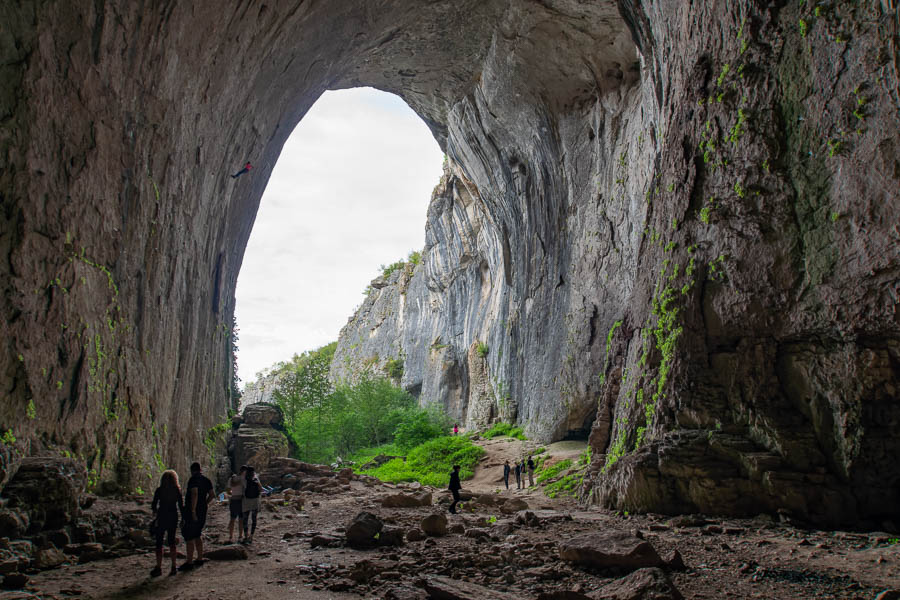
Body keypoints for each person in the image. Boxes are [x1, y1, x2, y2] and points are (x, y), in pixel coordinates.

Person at [180, 462, 214, 571]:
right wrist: (205, 504)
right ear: (200, 469)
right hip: (202, 511)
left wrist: (193, 510)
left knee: (190, 536)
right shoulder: (207, 480)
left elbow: (194, 494)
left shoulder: (193, 480)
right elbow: (212, 495)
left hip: (192, 511)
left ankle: (189, 562)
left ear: (192, 470)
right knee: (197, 534)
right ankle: (199, 558)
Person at [150, 470, 184, 577]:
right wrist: (183, 517)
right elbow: (181, 505)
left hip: (162, 516)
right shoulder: (176, 490)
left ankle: (159, 567)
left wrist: (155, 513)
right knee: (171, 541)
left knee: (159, 542)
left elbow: (154, 505)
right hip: (173, 516)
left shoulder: (159, 490)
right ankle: (173, 567)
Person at [242, 465, 262, 544]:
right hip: (255, 501)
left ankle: (246, 535)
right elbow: (260, 489)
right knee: (254, 519)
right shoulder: (256, 479)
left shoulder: (244, 479)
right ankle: (251, 536)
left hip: (246, 501)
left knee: (245, 519)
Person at [227, 466, 246, 543]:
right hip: (241, 500)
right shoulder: (244, 479)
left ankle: (230, 536)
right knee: (241, 519)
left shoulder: (231, 479)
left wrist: (233, 493)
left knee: (232, 519)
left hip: (233, 500)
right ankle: (240, 536)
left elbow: (228, 491)